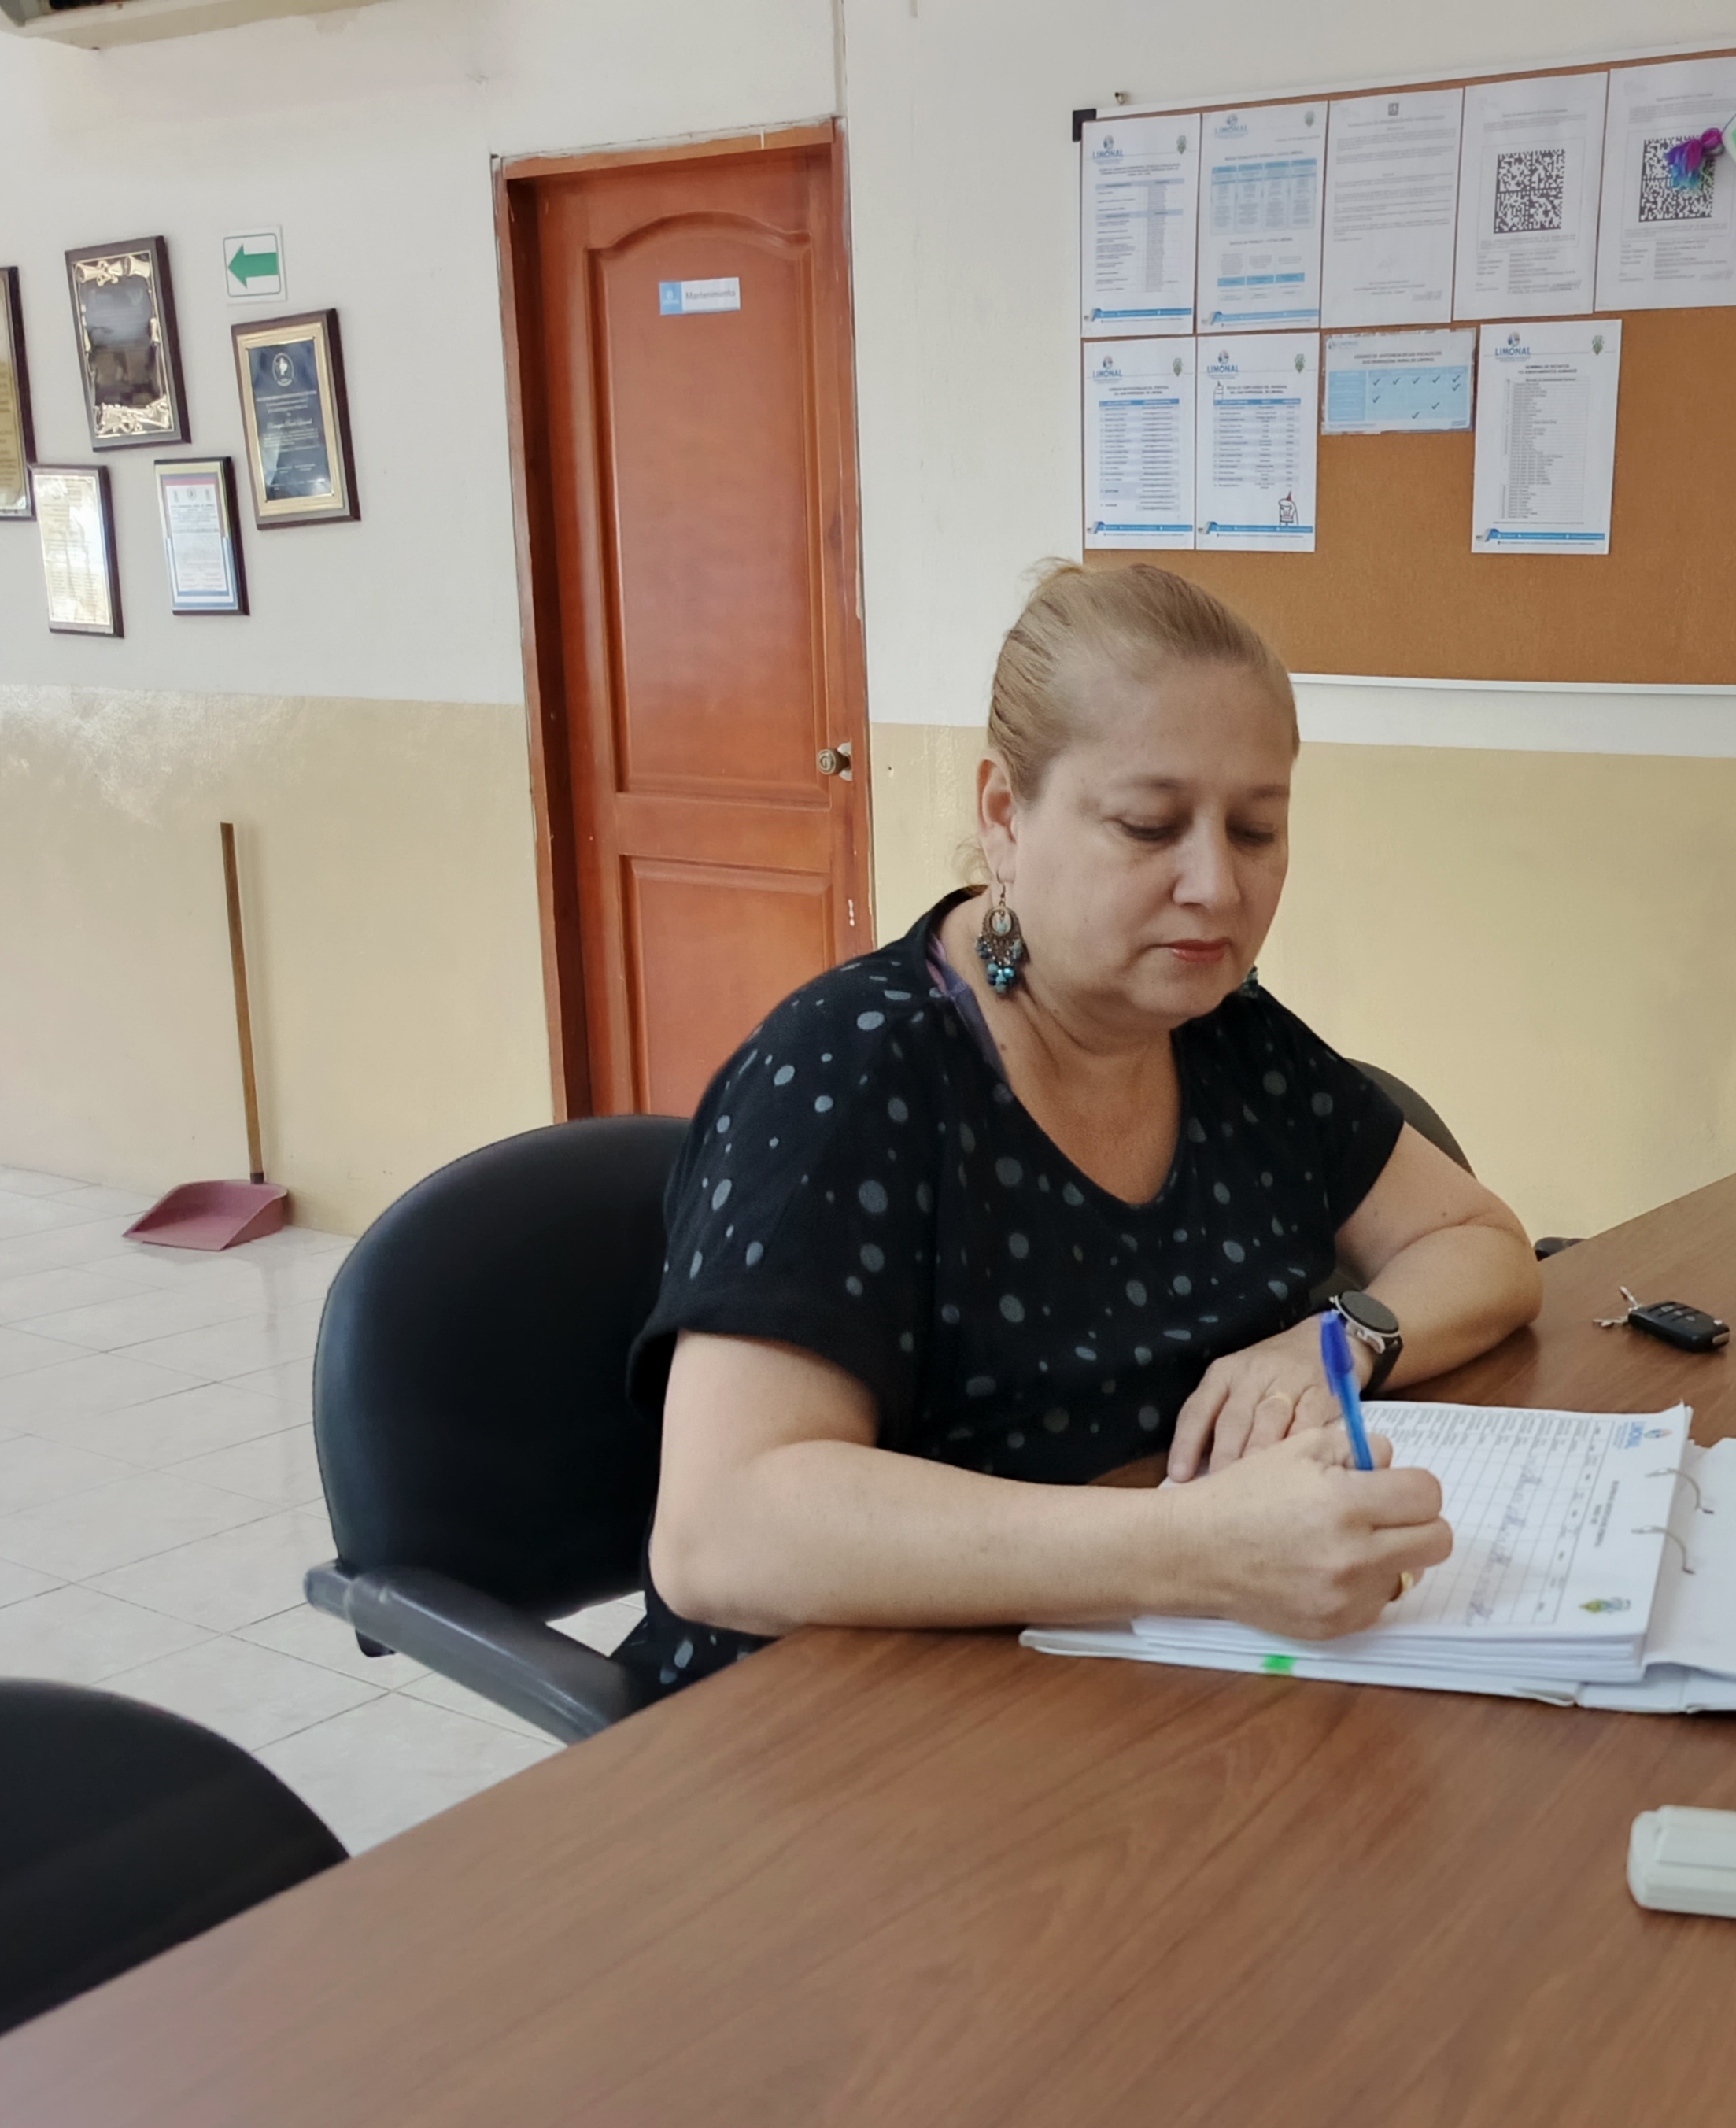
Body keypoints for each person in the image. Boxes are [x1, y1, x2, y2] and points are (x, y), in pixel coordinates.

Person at [622, 563, 1544, 1694]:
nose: (1216, 886)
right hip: (836, 1722)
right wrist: (1197, 1552)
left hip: (1127, 1678)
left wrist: (1331, 1342)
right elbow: (721, 1531)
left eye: (1256, 830)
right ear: (1004, 815)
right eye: (1150, 826)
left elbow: (1481, 1244)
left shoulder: (1228, 1032)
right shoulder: (855, 1068)